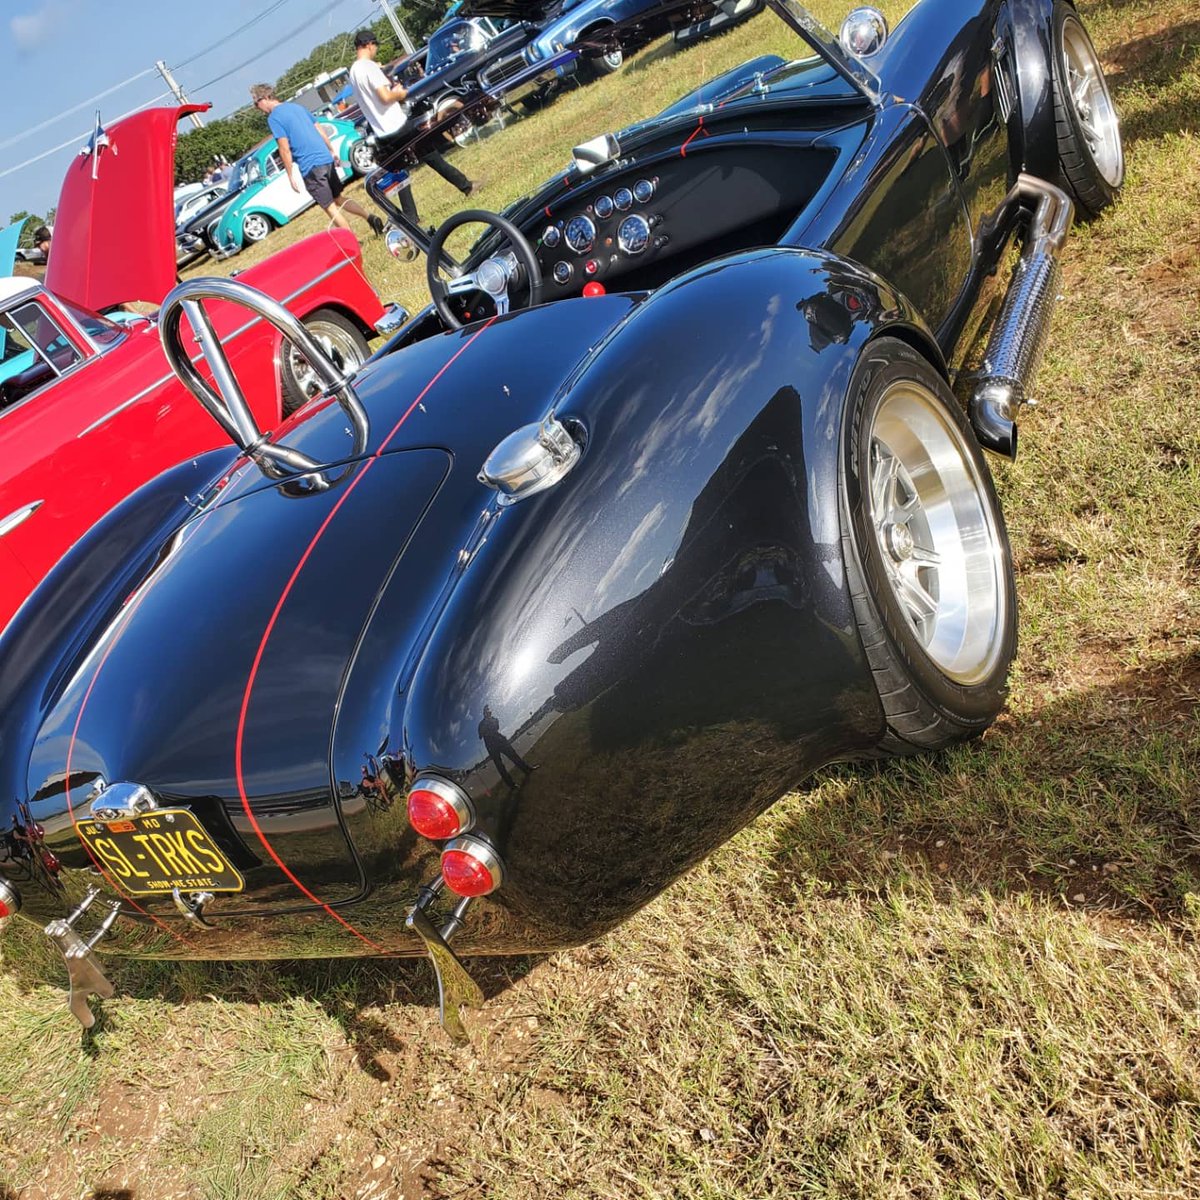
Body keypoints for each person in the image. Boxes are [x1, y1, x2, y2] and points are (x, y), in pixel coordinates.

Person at [347, 29, 474, 222]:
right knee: (431, 155)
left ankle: (411, 217)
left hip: (382, 132)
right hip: (396, 124)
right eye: (375, 46)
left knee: (401, 169)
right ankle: (467, 186)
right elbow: (385, 96)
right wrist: (400, 93)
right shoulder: (369, 67)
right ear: (369, 45)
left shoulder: (353, 72)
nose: (375, 50)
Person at [248, 83, 385, 239]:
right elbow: (319, 128)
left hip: (310, 166)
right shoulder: (297, 107)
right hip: (325, 158)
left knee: (329, 207)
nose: (258, 108)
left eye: (256, 103)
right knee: (338, 198)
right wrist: (331, 150)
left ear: (265, 97)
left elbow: (283, 148)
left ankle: (352, 242)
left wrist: (290, 175)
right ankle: (370, 218)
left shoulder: (274, 118)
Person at [477, 705, 536, 789]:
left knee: (514, 755)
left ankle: (527, 769)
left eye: (489, 711)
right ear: (484, 713)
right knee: (500, 766)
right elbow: (480, 736)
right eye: (486, 711)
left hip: (500, 740)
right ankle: (511, 785)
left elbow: (497, 728)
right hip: (491, 747)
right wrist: (484, 728)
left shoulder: (494, 719)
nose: (488, 712)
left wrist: (493, 722)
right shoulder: (481, 724)